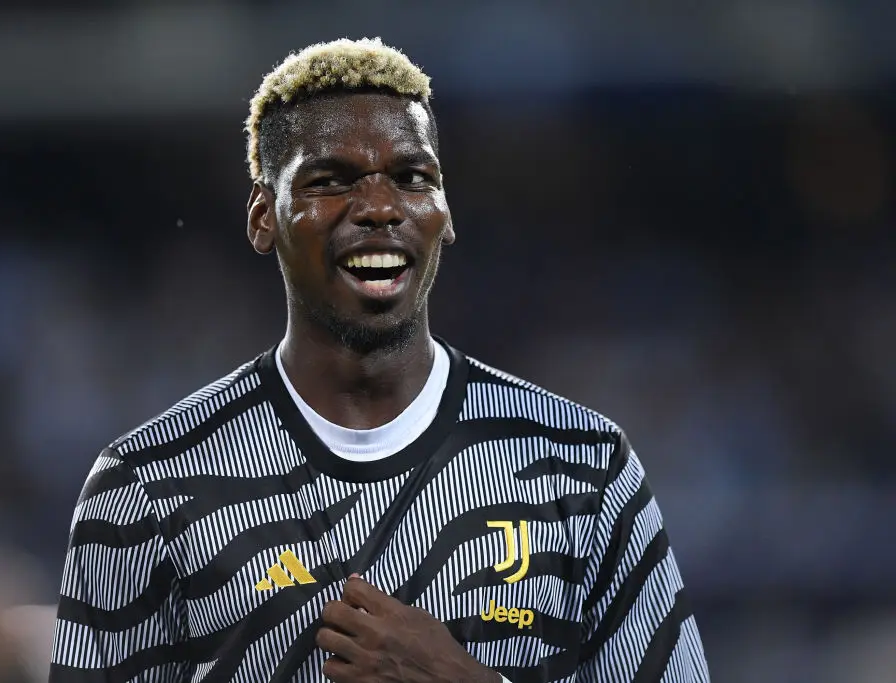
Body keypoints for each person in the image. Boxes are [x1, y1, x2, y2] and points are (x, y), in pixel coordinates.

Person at [49, 37, 711, 683]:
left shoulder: (585, 467)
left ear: (444, 212)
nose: (377, 207)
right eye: (330, 180)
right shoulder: (147, 486)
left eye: (411, 177)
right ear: (262, 216)